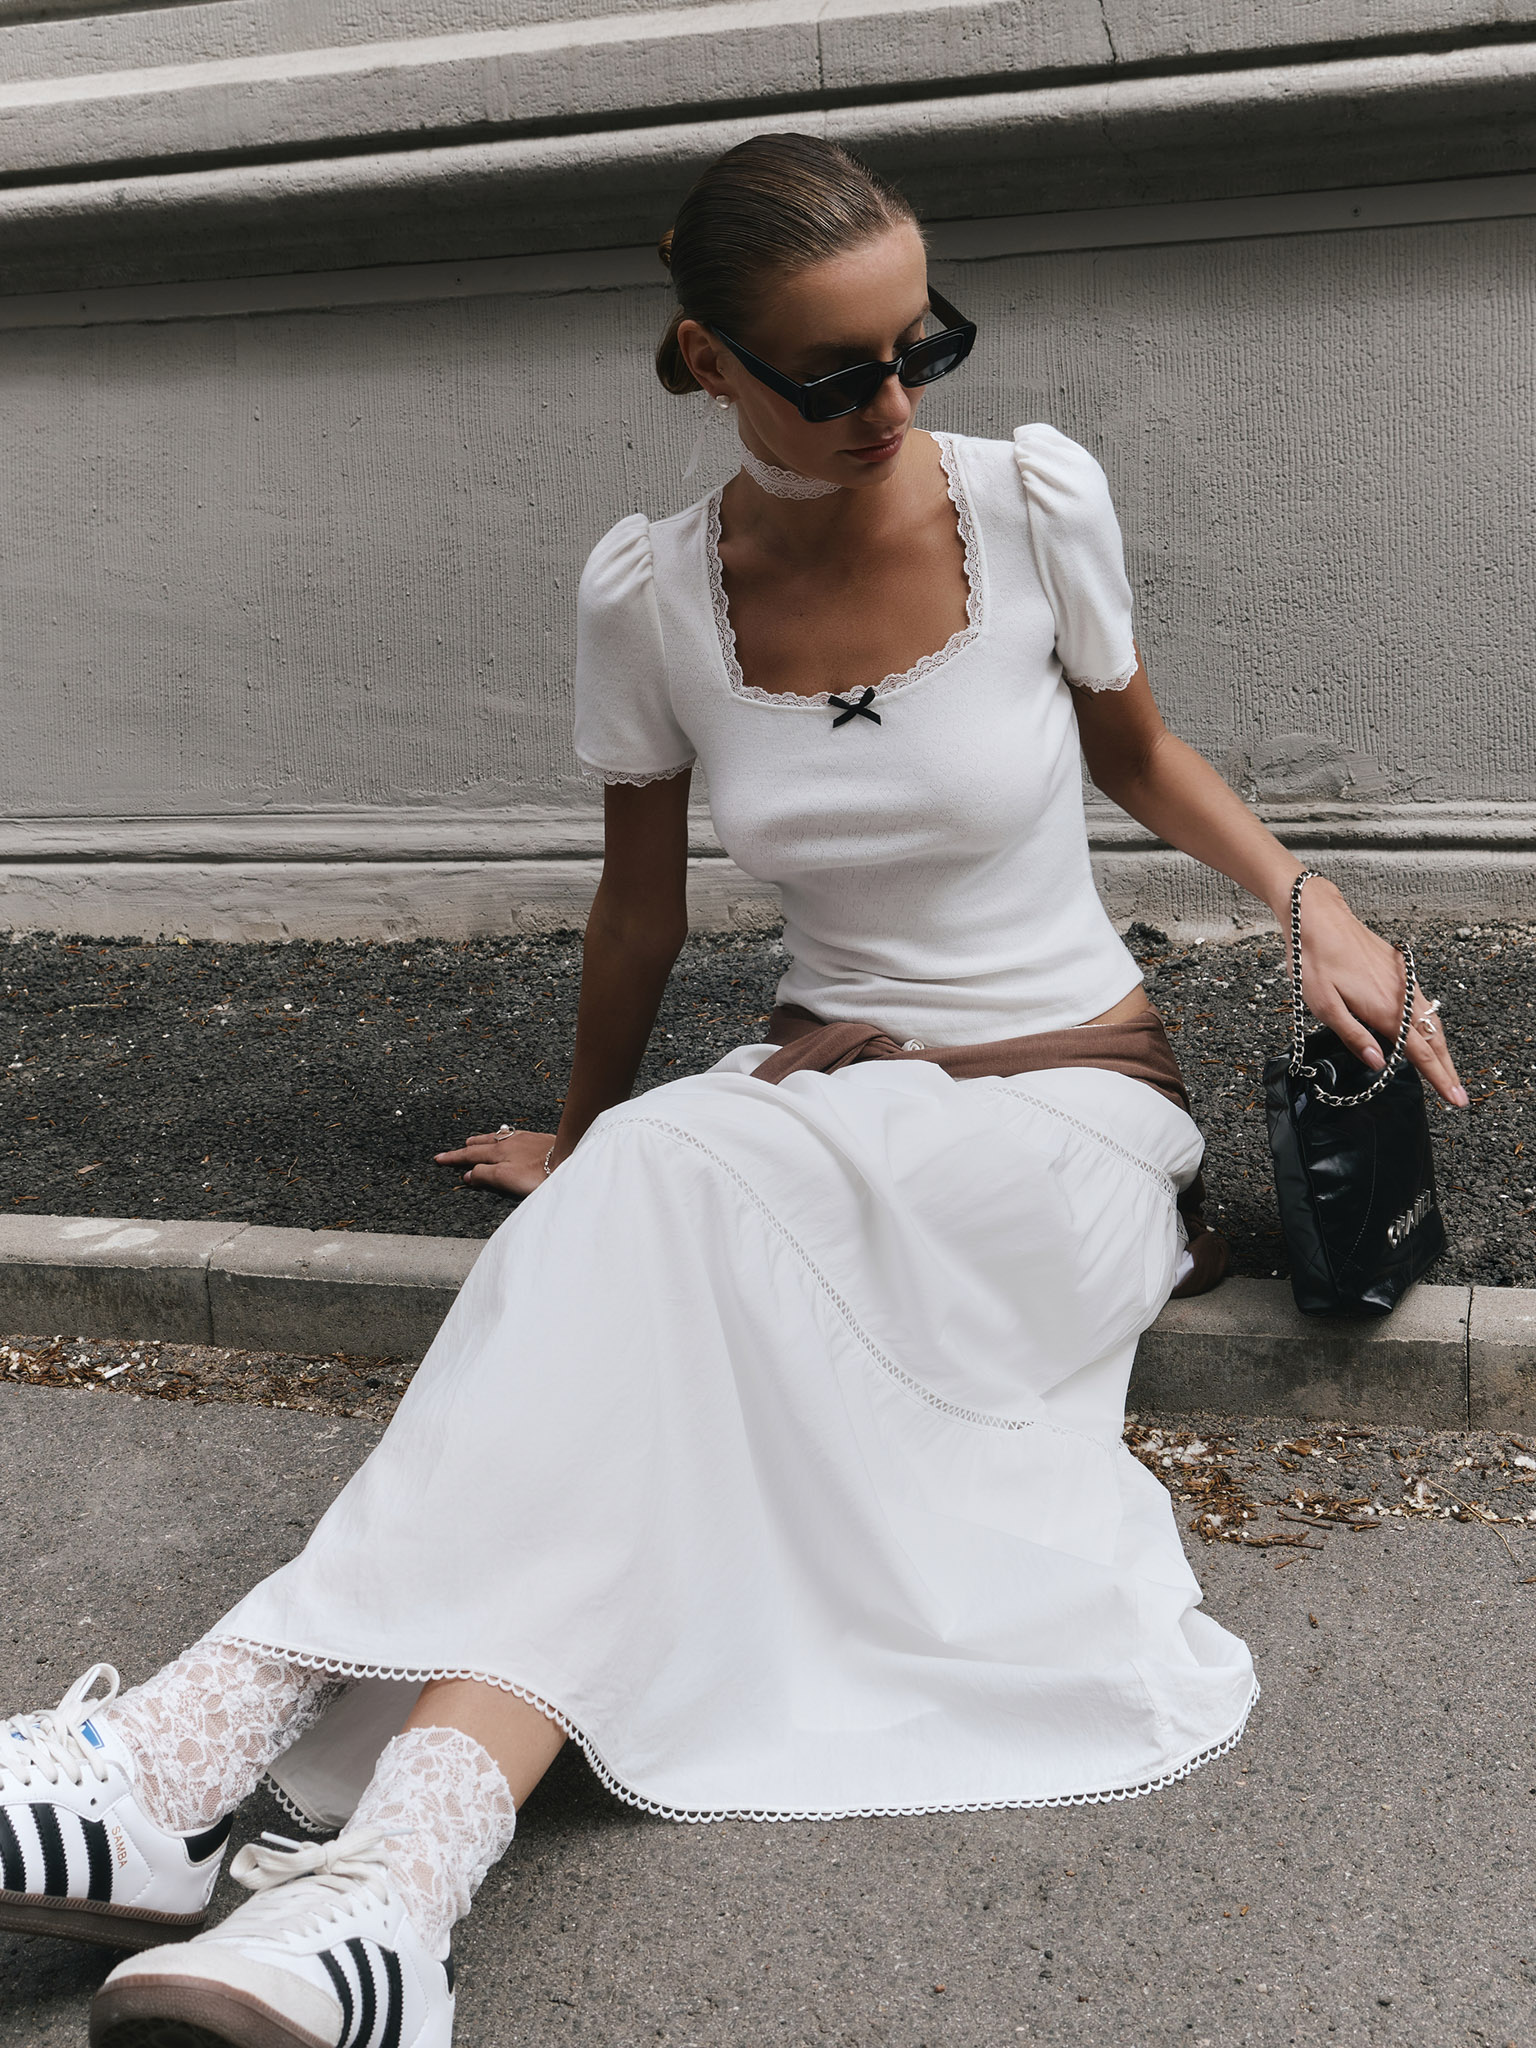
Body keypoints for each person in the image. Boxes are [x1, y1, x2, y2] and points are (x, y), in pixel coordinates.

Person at [0, 134, 1464, 2048]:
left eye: (920, 342)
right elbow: (638, 908)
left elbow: (1144, 754)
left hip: (1069, 1110)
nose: (896, 400)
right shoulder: (650, 597)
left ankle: (202, 1750)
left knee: (665, 1198)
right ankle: (373, 1903)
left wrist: (1317, 906)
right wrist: (577, 1123)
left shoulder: (1028, 500)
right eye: (836, 371)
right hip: (819, 1097)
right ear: (709, 361)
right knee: (653, 1212)